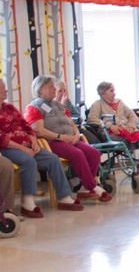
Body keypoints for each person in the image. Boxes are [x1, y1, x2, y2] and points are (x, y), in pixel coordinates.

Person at [0, 79, 83, 217]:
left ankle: (64, 197)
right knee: (28, 161)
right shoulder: (34, 106)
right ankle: (27, 201)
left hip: (27, 144)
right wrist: (23, 148)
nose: (6, 90)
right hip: (8, 147)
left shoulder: (10, 108)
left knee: (53, 159)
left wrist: (33, 141)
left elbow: (27, 126)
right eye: (3, 88)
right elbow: (2, 138)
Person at [25, 75, 112, 203]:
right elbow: (38, 130)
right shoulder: (34, 107)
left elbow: (71, 123)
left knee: (94, 153)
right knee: (77, 154)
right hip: (52, 141)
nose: (54, 89)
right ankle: (92, 186)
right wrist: (60, 137)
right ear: (40, 90)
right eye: (50, 87)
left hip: (70, 138)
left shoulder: (58, 105)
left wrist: (76, 134)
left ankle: (84, 189)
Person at [87, 81, 139, 180]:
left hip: (127, 130)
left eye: (114, 90)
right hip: (110, 133)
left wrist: (131, 126)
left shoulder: (119, 102)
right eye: (111, 91)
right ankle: (113, 167)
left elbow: (132, 115)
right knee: (125, 143)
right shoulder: (97, 104)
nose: (114, 93)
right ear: (103, 93)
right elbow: (92, 119)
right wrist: (110, 125)